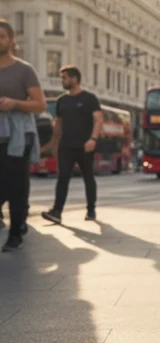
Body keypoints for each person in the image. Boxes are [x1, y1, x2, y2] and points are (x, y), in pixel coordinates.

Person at [0, 19, 45, 252]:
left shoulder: (24, 69)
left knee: (16, 185)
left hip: (18, 134)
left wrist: (14, 103)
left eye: (2, 37)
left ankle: (15, 232)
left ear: (10, 40)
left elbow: (40, 105)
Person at [42, 66, 103, 224]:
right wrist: (54, 145)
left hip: (84, 146)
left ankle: (91, 210)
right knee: (62, 178)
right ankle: (57, 212)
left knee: (88, 177)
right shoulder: (62, 100)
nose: (62, 80)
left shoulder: (89, 98)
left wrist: (93, 139)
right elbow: (58, 124)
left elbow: (98, 120)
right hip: (66, 146)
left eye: (65, 77)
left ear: (74, 79)